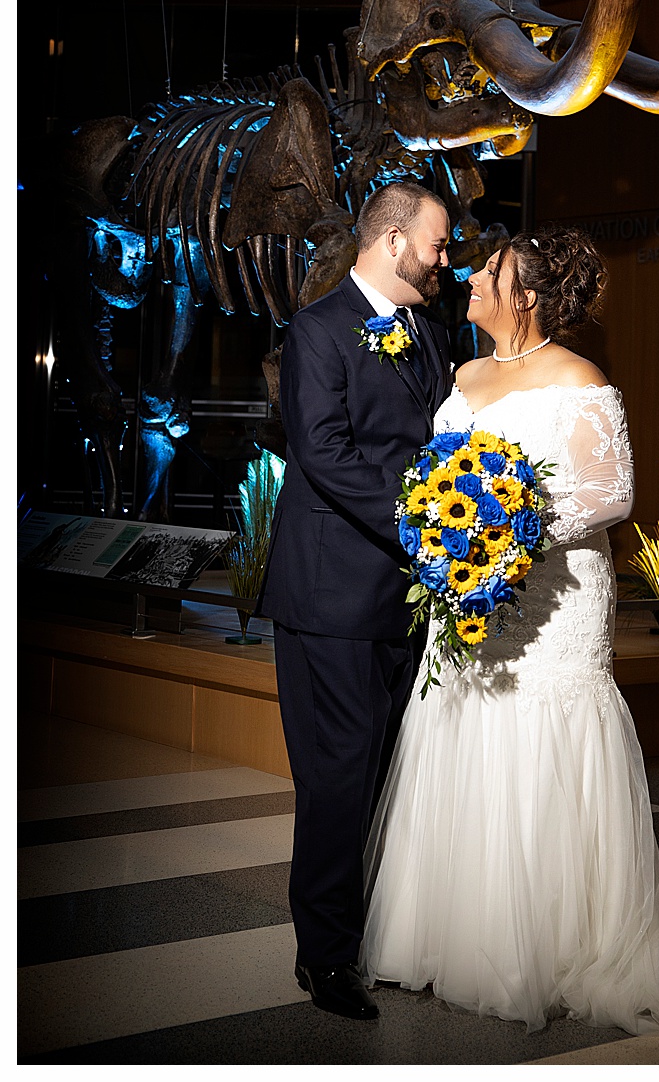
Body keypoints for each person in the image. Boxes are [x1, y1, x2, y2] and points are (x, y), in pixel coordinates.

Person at [358, 225, 659, 1056]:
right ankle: (457, 937)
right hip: (470, 599)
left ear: (526, 295)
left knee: (549, 738)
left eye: (490, 270)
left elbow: (610, 494)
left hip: (552, 598)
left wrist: (501, 528)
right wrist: (452, 540)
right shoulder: (464, 373)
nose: (472, 277)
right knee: (465, 728)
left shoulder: (581, 379)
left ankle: (555, 946)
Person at [257, 182, 454, 1020]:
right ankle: (325, 958)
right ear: (393, 238)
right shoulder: (318, 329)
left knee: (379, 777)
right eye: (438, 244)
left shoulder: (426, 333)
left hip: (401, 599)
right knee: (336, 780)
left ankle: (372, 932)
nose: (448, 259)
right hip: (333, 594)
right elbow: (327, 455)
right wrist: (433, 519)